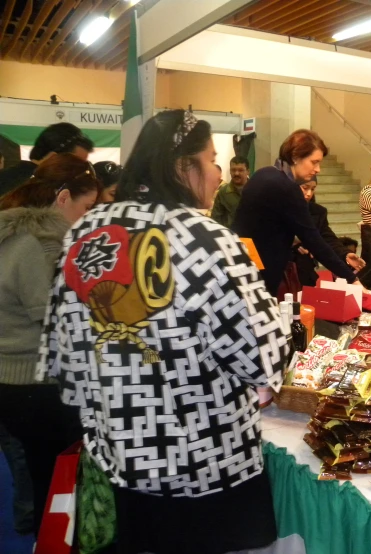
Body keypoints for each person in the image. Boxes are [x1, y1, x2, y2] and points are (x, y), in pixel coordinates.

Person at [37, 110, 289, 554]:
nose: (216, 174)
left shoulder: (85, 233)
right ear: (181, 168)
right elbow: (260, 357)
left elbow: (65, 358)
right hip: (206, 462)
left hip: (122, 457)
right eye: (211, 160)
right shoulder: (208, 239)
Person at [0, 153, 100, 535]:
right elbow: (56, 318)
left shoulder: (14, 234)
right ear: (62, 198)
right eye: (86, 207)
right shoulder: (38, 245)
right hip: (35, 384)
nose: (88, 217)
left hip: (14, 380)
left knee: (41, 478)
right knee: (55, 482)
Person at [232, 129, 358, 296]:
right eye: (314, 162)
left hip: (239, 263)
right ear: (296, 157)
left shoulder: (263, 173)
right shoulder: (287, 188)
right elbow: (314, 240)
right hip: (260, 273)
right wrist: (352, 278)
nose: (318, 169)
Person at [293, 178, 366, 287]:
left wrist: (345, 254)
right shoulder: (276, 208)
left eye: (312, 189)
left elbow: (328, 239)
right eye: (305, 188)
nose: (309, 194)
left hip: (303, 271)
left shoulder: (317, 212)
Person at [0, 122, 94, 198]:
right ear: (53, 158)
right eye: (75, 164)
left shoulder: (16, 177)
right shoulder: (31, 190)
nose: (79, 172)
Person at [211, 156, 250, 227]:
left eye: (240, 170)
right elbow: (216, 220)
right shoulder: (223, 192)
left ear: (248, 171)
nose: (236, 173)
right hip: (230, 235)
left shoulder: (255, 190)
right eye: (233, 170)